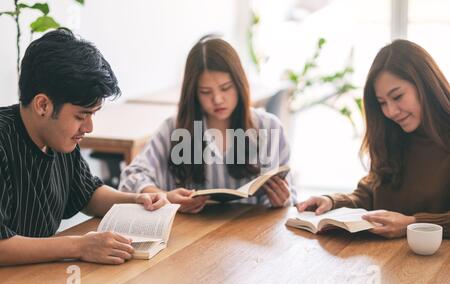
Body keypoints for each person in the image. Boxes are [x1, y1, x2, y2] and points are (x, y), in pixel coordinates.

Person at [0, 28, 169, 266]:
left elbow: (87, 194)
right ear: (43, 105)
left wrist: (137, 200)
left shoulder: (58, 139)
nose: (88, 127)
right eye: (81, 116)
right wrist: (79, 245)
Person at [119, 36, 297, 213]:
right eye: (205, 92)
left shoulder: (268, 127)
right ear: (193, 93)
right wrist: (163, 196)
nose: (218, 99)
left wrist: (282, 199)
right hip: (191, 234)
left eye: (226, 88)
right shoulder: (175, 128)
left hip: (252, 235)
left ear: (240, 83)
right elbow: (133, 177)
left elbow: (291, 196)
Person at [297, 39, 449, 239]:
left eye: (397, 96)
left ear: (425, 85)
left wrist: (413, 224)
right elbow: (373, 192)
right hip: (389, 262)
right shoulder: (395, 135)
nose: (391, 112)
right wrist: (333, 201)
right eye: (382, 103)